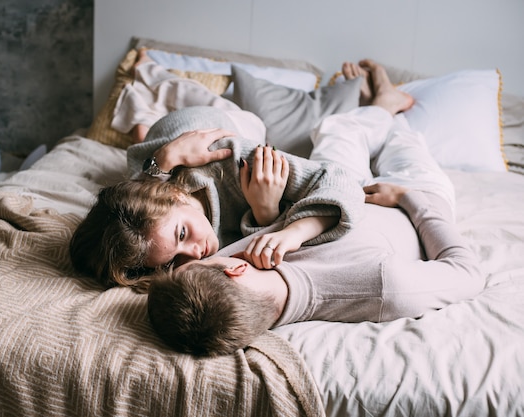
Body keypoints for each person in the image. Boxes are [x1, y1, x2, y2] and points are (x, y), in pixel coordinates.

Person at [145, 60, 485, 357]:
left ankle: (379, 104)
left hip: (345, 188)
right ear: (234, 271)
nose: (195, 257)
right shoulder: (387, 286)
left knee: (336, 129)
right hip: (412, 199)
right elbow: (468, 273)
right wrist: (406, 198)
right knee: (401, 141)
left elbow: (148, 225)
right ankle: (390, 108)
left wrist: (160, 165)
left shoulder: (245, 279)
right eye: (190, 266)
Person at [70, 66, 372, 288]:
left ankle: (382, 103)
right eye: (171, 259)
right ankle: (146, 131)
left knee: (256, 124)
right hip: (160, 147)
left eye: (183, 235)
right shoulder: (157, 235)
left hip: (216, 124)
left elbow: (340, 180)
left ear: (176, 195)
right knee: (136, 187)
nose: (195, 253)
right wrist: (265, 214)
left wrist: (291, 234)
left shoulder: (234, 156)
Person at [111, 47, 266, 143]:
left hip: (238, 145)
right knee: (192, 97)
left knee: (192, 106)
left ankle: (146, 126)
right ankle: (146, 70)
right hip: (246, 128)